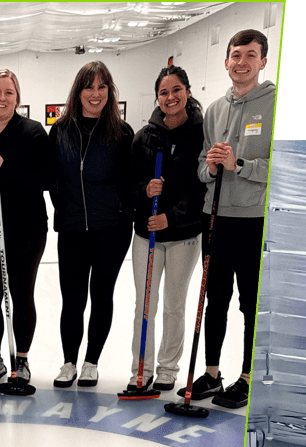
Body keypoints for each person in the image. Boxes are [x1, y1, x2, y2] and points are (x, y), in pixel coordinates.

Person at [189, 28, 275, 410]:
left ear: (263, 61)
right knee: (215, 298)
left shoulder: (275, 104)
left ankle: (247, 377)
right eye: (236, 55)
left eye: (250, 55)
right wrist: (210, 168)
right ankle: (212, 373)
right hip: (215, 217)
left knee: (250, 302)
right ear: (226, 62)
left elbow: (282, 167)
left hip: (253, 219)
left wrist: (239, 164)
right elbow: (201, 168)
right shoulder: (214, 110)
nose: (242, 62)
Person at [49, 62, 134, 388]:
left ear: (109, 91)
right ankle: (69, 362)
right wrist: (66, 210)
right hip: (72, 229)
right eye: (89, 87)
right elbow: (53, 180)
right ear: (78, 91)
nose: (95, 93)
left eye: (102, 87)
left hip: (112, 229)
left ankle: (91, 362)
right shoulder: (61, 130)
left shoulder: (121, 132)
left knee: (101, 296)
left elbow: (130, 181)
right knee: (72, 299)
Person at [0, 68, 51, 385]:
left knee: (21, 294)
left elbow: (45, 178)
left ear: (17, 98)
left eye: (9, 93)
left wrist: (7, 168)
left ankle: (22, 359)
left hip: (27, 231)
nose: (2, 98)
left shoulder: (32, 132)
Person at [125, 65, 206, 391]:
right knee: (145, 304)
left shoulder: (202, 134)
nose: (170, 97)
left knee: (174, 304)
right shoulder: (144, 137)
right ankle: (140, 369)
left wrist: (172, 217)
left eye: (176, 90)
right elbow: (127, 185)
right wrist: (145, 190)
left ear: (187, 92)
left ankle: (168, 367)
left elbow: (202, 188)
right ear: (157, 97)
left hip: (183, 236)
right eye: (163, 92)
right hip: (147, 235)